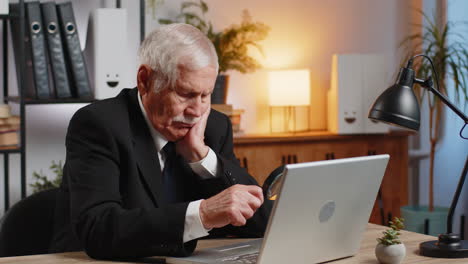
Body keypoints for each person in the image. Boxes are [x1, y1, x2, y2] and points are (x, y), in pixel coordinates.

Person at [49, 23, 272, 259]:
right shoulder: (99, 124)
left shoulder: (214, 127)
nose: (196, 111)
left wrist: (203, 158)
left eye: (205, 95)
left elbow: (261, 224)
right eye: (185, 94)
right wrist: (203, 214)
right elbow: (99, 229)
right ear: (145, 81)